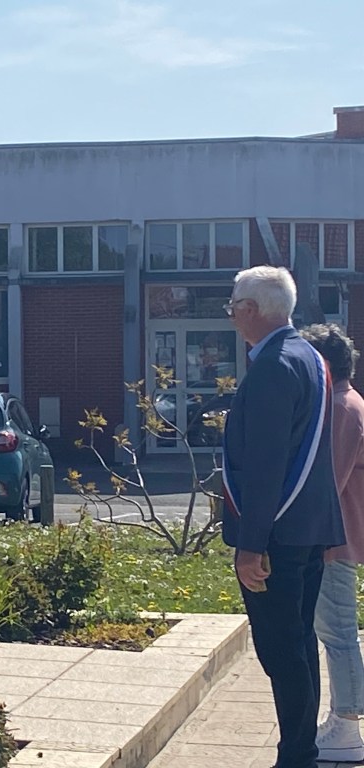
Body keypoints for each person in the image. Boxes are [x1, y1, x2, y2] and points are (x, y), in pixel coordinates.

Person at [221, 266, 345, 768]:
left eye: (233, 306)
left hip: (276, 534)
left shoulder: (274, 365)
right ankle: (300, 751)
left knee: (281, 650)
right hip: (306, 527)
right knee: (297, 644)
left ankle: (297, 756)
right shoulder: (309, 356)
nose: (232, 316)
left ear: (251, 309)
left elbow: (267, 461)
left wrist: (251, 545)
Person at [300, 323, 364, 762]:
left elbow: (330, 482)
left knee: (338, 631)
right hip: (335, 534)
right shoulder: (344, 402)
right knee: (335, 629)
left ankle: (347, 725)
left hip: (332, 538)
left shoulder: (342, 407)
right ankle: (343, 718)